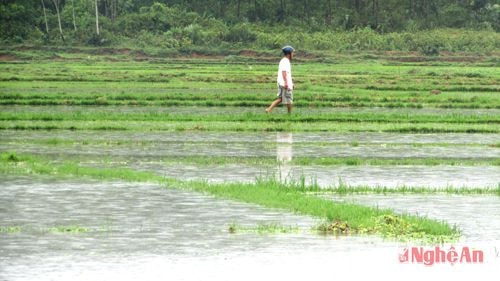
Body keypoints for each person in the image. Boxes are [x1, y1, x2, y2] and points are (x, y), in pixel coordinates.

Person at [266, 46, 294, 114]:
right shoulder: (285, 61)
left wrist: (291, 83)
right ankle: (289, 115)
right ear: (289, 54)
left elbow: (287, 74)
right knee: (289, 99)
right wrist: (286, 83)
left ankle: (269, 109)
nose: (293, 55)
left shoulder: (284, 61)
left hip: (281, 83)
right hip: (284, 84)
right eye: (292, 53)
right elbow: (284, 72)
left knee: (280, 99)